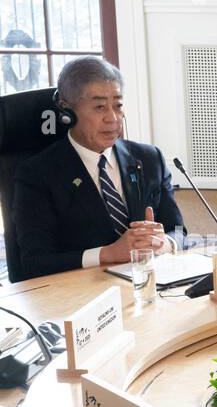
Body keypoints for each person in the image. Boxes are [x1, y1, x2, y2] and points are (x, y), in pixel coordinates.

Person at [11, 56, 186, 282]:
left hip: (149, 284)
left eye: (118, 105)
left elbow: (179, 232)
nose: (112, 118)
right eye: (99, 107)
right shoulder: (37, 175)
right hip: (81, 294)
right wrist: (107, 253)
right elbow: (35, 262)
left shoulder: (149, 158)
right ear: (67, 112)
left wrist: (166, 243)